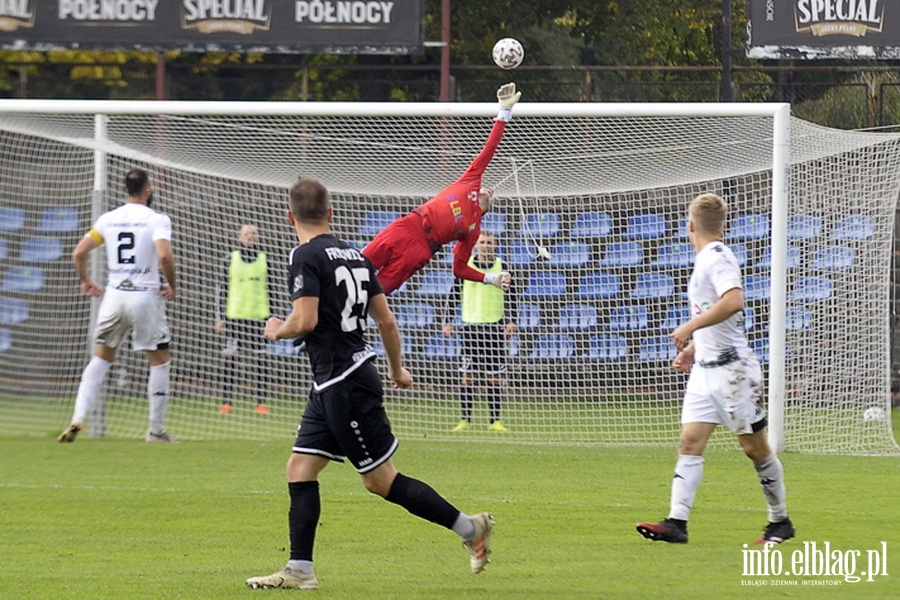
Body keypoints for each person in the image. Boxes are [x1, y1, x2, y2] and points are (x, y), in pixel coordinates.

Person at [246, 176, 494, 590]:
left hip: (345, 382)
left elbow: (304, 321)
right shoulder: (355, 256)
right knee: (300, 468)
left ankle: (471, 529)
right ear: (331, 213)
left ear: (289, 216)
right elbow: (386, 320)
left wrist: (276, 330)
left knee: (380, 481)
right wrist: (397, 370)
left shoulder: (304, 255)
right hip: (334, 382)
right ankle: (300, 570)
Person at [636, 193, 794, 545]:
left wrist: (689, 328)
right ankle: (677, 523)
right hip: (705, 369)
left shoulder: (718, 256)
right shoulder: (707, 258)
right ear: (722, 225)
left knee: (755, 449)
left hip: (733, 372)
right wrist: (693, 348)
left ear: (689, 225)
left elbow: (733, 300)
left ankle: (780, 521)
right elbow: (719, 313)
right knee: (690, 442)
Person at [362, 82, 521, 296]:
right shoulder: (470, 182)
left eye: (492, 197)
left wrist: (490, 278)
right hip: (408, 226)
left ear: (489, 208)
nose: (490, 191)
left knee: (375, 293)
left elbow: (459, 269)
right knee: (358, 268)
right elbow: (489, 149)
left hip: (422, 250)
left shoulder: (474, 230)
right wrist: (504, 112)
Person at [58, 168, 176, 443]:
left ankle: (77, 418)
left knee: (100, 358)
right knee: (159, 362)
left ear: (126, 190)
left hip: (113, 296)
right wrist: (173, 284)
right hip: (145, 295)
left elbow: (79, 252)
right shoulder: (156, 219)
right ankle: (156, 430)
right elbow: (164, 256)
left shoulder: (108, 219)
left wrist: (86, 280)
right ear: (148, 189)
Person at [442, 231, 518, 432]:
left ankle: (495, 421)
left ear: (495, 245)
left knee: (494, 376)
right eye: (482, 242)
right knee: (468, 375)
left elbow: (512, 296)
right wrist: (448, 321)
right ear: (476, 245)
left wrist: (512, 321)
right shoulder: (466, 266)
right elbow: (454, 294)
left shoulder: (503, 267)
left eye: (490, 243)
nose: (486, 246)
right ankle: (465, 419)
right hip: (470, 326)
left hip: (494, 326)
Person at [215, 224, 274, 414]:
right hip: (235, 316)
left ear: (258, 237)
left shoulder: (266, 260)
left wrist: (272, 316)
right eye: (247, 234)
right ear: (240, 237)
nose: (250, 237)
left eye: (254, 234)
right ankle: (226, 402)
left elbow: (273, 290)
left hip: (259, 316)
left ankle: (261, 402)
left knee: (261, 358)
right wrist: (220, 317)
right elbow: (221, 289)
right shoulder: (230, 259)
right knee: (230, 357)